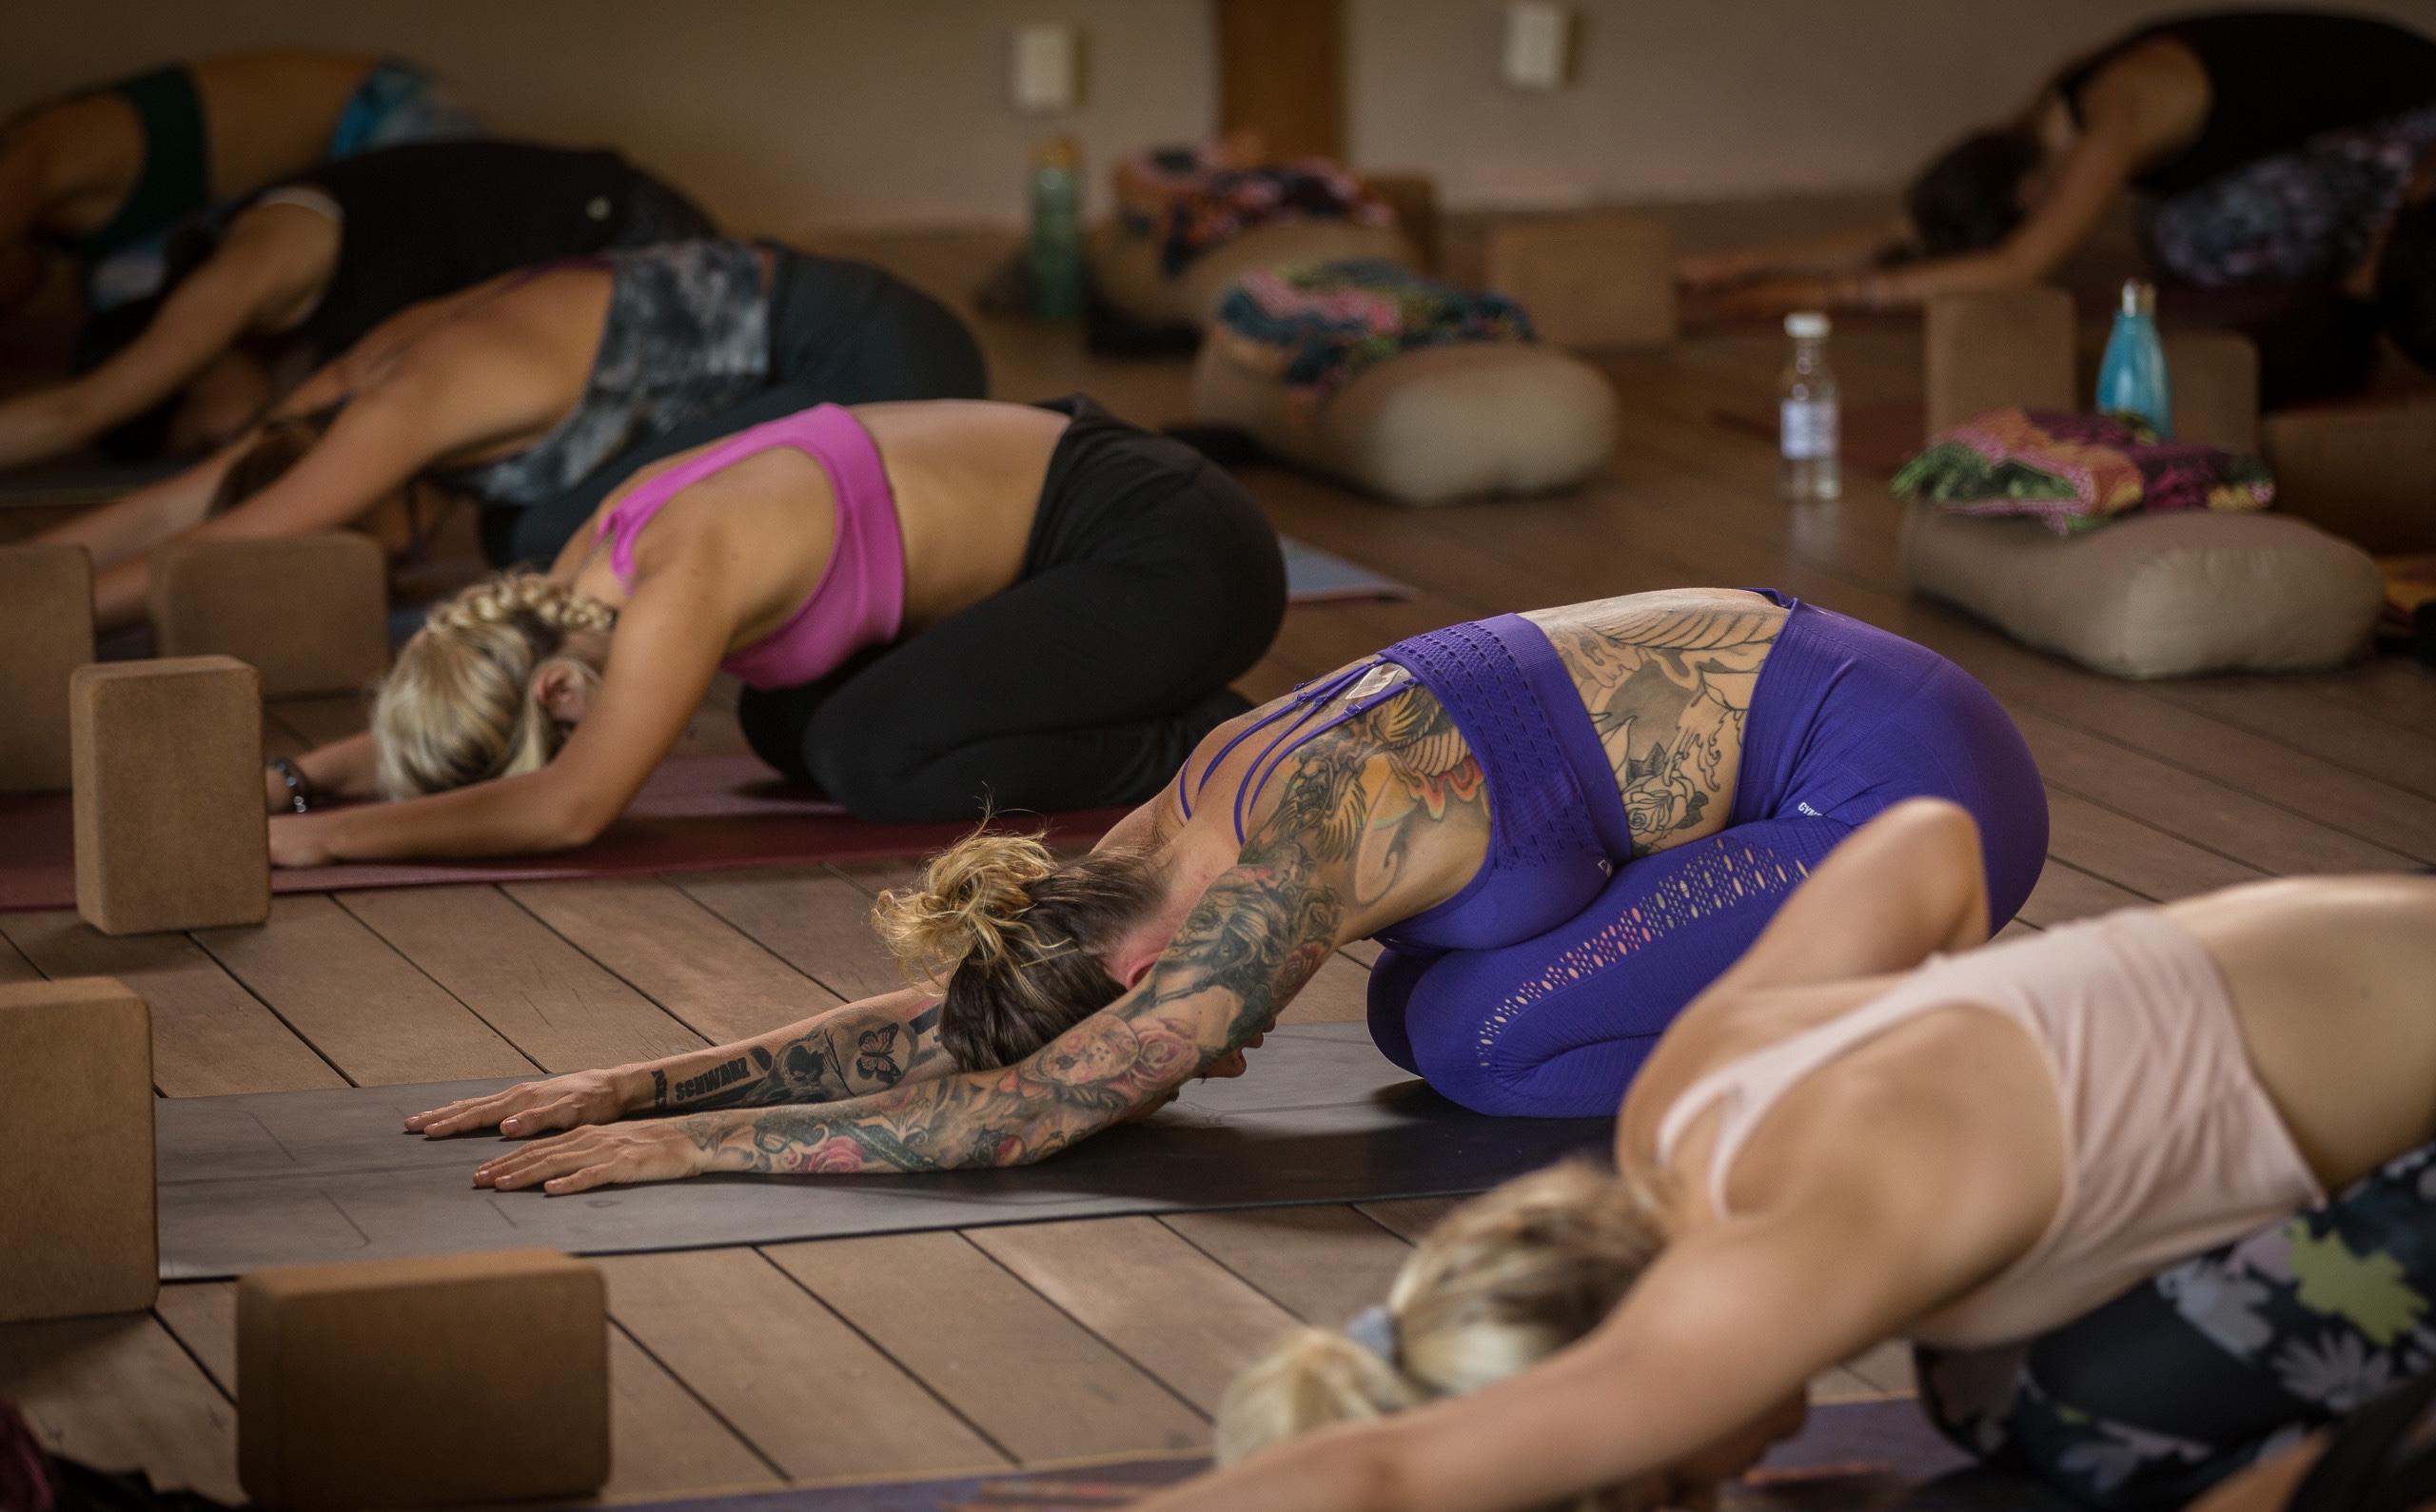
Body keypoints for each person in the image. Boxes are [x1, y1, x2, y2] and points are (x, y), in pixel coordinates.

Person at [400, 589, 2047, 1188]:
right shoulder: (1147, 839)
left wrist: (694, 1149)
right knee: (1418, 1005)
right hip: (1828, 706)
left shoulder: (1272, 871)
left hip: (1914, 792)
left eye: (1182, 1033)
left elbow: (1027, 1110)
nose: (1215, 1048)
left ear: (1144, 973)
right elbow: (975, 1017)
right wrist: (647, 1076)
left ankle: (1919, 1021)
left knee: (1477, 1041)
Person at [1108, 801, 2436, 1512]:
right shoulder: (1684, 1103)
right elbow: (1925, 842)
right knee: (2003, 1397)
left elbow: (1389, 1478)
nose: (1749, 1464)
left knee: (2097, 1424)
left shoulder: (1781, 1252)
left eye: (1692, 1478)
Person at [265, 393, 1284, 849]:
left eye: (562, 733)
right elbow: (474, 707)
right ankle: (1143, 686)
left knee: (870, 757)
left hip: (1175, 553)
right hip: (1096, 528)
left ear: (561, 689)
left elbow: (568, 809)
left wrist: (330, 842)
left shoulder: (677, 574)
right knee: (783, 721)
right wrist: (304, 778)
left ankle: (1220, 735)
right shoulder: (583, 572)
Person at [35, 237, 986, 630]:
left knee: (551, 543)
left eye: (367, 544)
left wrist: (39, 623)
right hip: (847, 339)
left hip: (880, 362)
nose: (395, 560)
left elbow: (234, 538)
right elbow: (178, 502)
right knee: (524, 541)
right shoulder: (344, 391)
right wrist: (27, 574)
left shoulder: (406, 404)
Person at [1679, 12, 2436, 399]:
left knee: (2197, 237)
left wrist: (1822, 296)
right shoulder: (2044, 120)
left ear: (2032, 193)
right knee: (2170, 227)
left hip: (2414, 125)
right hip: (2332, 135)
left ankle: (2369, 265)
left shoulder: (2114, 116)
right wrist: (1743, 263)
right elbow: (1904, 229)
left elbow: (2018, 266)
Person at [0, 137, 712, 468]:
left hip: (630, 235)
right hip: (577, 270)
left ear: (183, 376)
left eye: (195, 434)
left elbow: (78, 410)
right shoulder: (277, 316)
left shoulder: (239, 277)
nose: (216, 438)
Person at [0, 51, 479, 314]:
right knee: (129, 300)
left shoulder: (34, 153)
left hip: (381, 115)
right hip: (299, 192)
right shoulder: (84, 237)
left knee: (444, 297)